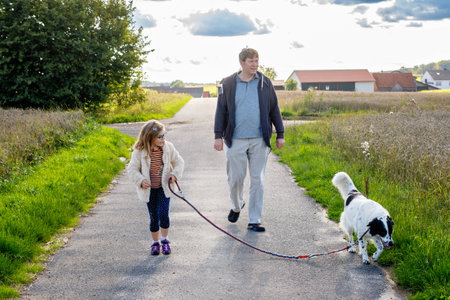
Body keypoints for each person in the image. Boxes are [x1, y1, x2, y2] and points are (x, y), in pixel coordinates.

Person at [214, 47, 285, 232]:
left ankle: (255, 219)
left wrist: (280, 133)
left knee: (257, 180)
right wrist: (218, 136)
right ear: (242, 63)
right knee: (235, 179)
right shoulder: (228, 84)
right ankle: (237, 206)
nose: (255, 64)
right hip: (235, 139)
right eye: (251, 61)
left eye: (257, 60)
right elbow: (221, 110)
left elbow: (274, 109)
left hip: (259, 139)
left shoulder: (265, 83)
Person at [127, 120, 184, 255]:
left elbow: (179, 161)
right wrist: (141, 180)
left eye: (164, 135)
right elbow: (132, 169)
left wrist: (174, 174)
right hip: (149, 190)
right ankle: (155, 242)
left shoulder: (168, 148)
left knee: (164, 214)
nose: (163, 139)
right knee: (154, 217)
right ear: (149, 137)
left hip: (164, 188)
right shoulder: (139, 152)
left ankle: (165, 240)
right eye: (160, 137)